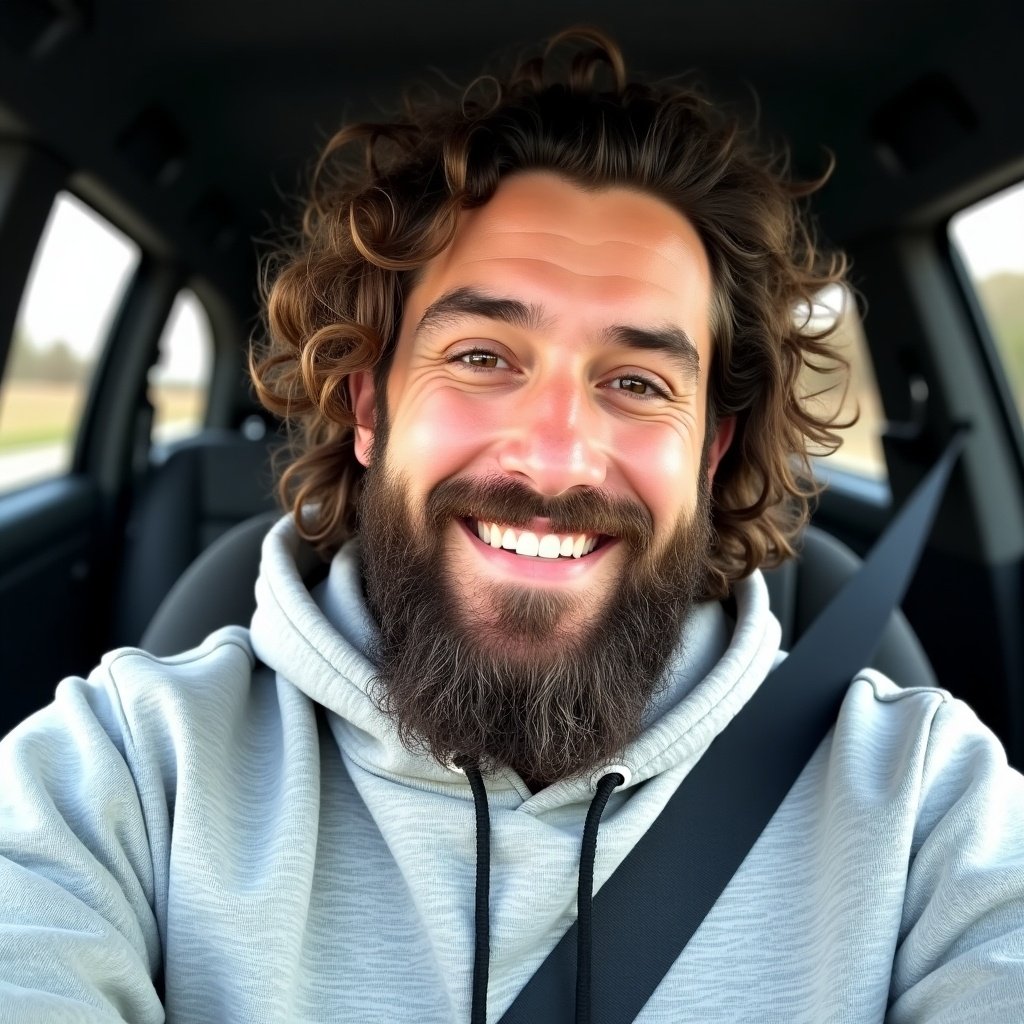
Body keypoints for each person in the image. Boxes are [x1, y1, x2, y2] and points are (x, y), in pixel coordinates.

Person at [1, 28, 1023, 1024]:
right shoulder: (127, 775)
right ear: (368, 406)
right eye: (483, 356)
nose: (553, 455)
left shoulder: (922, 805)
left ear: (710, 452)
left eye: (635, 381)